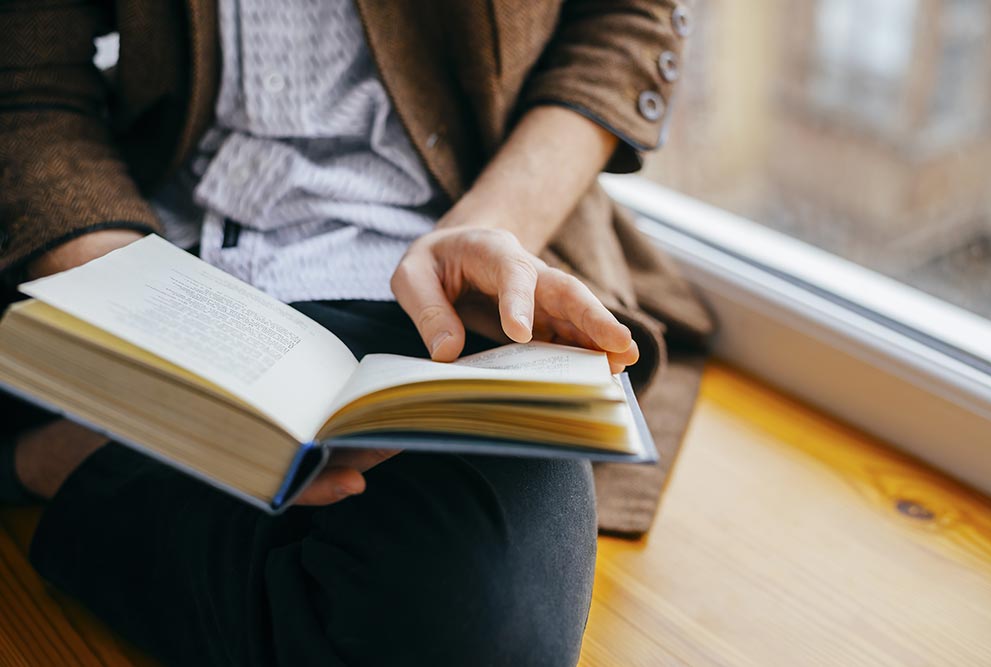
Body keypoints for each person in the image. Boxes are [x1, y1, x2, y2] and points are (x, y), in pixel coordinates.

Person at [0, 1, 697, 664]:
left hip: (441, 263)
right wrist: (140, 321)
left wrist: (490, 224)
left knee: (481, 622)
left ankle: (74, 452)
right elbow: (27, 73)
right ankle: (129, 443)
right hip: (145, 239)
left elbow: (626, 17)